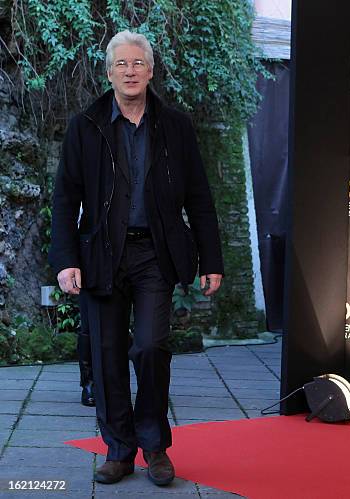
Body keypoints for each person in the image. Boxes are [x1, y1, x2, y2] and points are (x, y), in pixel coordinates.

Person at [49, 30, 224, 486]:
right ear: (109, 73)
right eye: (121, 64)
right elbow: (65, 199)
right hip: (101, 255)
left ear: (150, 70)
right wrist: (67, 259)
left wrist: (212, 260)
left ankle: (154, 446)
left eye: (137, 63)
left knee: (149, 346)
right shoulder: (85, 125)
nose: (129, 71)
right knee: (106, 356)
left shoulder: (176, 125)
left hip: (155, 253)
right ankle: (119, 449)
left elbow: (200, 197)